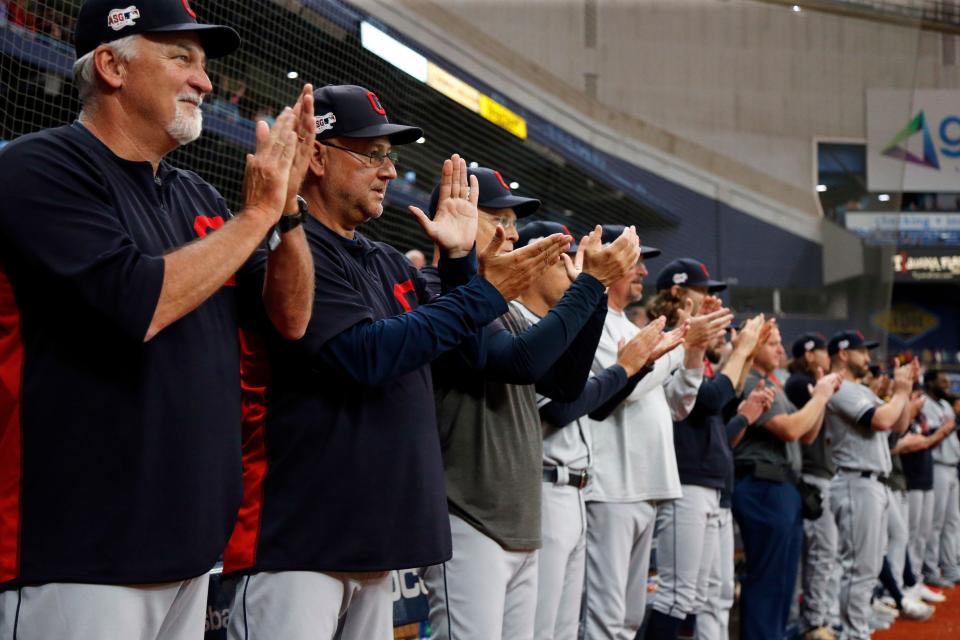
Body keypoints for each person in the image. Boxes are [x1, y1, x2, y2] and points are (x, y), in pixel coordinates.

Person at [0, 1, 316, 638]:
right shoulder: (38, 166)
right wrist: (254, 218)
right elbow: (135, 305)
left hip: (192, 551)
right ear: (113, 67)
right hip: (79, 552)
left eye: (203, 65)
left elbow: (290, 317)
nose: (204, 80)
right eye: (182, 59)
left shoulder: (198, 194)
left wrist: (286, 213)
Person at [220, 87, 570, 640]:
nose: (387, 171)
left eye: (390, 157)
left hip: (372, 541)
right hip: (298, 541)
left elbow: (471, 350)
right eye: (371, 154)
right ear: (316, 156)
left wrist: (459, 263)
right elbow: (364, 356)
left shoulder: (383, 260)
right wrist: (483, 292)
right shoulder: (285, 250)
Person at [421, 174, 642, 640]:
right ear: (452, 217)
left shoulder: (501, 306)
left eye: (514, 221)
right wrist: (591, 287)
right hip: (466, 513)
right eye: (498, 218)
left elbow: (562, 384)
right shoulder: (436, 289)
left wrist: (594, 290)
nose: (513, 232)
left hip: (518, 517)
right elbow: (521, 363)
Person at [512, 222, 682, 640]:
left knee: (567, 629)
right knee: (544, 628)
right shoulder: (526, 326)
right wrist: (630, 367)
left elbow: (594, 403)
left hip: (577, 487)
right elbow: (565, 407)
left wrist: (637, 365)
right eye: (566, 260)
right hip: (547, 484)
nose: (574, 271)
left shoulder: (564, 326)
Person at [583, 246, 731, 640]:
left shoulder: (633, 331)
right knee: (605, 617)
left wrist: (694, 349)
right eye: (635, 264)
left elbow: (678, 404)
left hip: (646, 484)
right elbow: (622, 389)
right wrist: (681, 344)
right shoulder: (594, 323)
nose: (644, 272)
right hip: (611, 484)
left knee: (630, 618)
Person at [643, 261, 765, 640]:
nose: (712, 299)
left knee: (708, 595)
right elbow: (706, 401)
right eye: (703, 290)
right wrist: (742, 352)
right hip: (685, 478)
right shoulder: (664, 337)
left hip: (707, 478)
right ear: (677, 292)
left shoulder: (698, 351)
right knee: (677, 597)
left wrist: (743, 354)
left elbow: (721, 400)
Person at [731, 325, 841, 640]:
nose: (781, 350)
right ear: (754, 347)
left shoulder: (773, 383)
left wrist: (822, 396)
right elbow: (791, 429)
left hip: (781, 485)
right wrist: (820, 397)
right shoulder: (751, 380)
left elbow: (807, 433)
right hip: (762, 484)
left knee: (783, 577)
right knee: (769, 576)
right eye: (774, 344)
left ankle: (775, 634)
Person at [824, 331, 917, 640]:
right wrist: (901, 394)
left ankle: (856, 631)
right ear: (842, 354)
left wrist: (906, 389)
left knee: (869, 566)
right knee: (859, 570)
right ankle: (853, 634)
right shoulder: (840, 387)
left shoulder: (860, 389)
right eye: (861, 351)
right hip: (854, 481)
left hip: (871, 483)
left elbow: (899, 425)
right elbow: (882, 421)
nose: (867, 357)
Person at [783, 332, 840, 640]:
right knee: (820, 552)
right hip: (810, 475)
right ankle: (810, 622)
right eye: (820, 350)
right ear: (807, 355)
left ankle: (811, 619)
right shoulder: (795, 383)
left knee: (817, 553)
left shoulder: (807, 383)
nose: (826, 354)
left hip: (815, 474)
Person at [922, 369, 960, 586]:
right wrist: (945, 429)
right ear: (929, 383)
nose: (946, 384)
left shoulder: (946, 406)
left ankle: (950, 566)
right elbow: (927, 435)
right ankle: (930, 569)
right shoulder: (925, 404)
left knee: (952, 521)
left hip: (952, 466)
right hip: (936, 466)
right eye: (942, 381)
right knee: (935, 523)